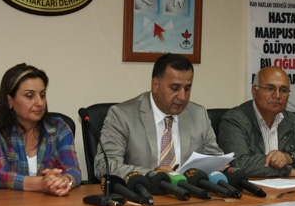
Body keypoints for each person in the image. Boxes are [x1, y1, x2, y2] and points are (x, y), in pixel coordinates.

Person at [95, 53, 224, 179]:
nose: (182, 97)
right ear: (155, 85)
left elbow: (215, 159)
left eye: (187, 89)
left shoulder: (199, 114)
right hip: (142, 191)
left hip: (188, 190)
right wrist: (152, 174)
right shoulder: (122, 116)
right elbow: (104, 166)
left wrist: (222, 166)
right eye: (175, 88)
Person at [0, 63, 80, 195]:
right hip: (4, 204)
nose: (40, 103)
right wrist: (42, 183)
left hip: (49, 204)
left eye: (42, 95)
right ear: (10, 100)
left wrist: (65, 180)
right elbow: (1, 176)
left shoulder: (59, 128)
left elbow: (73, 170)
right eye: (29, 96)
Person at [218, 66, 295, 177]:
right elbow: (240, 164)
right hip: (250, 186)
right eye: (270, 89)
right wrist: (288, 171)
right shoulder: (235, 120)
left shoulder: (293, 121)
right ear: (254, 91)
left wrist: (289, 158)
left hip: (289, 186)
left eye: (283, 90)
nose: (277, 95)